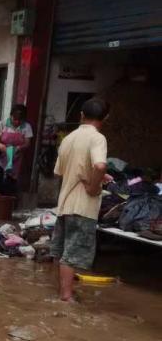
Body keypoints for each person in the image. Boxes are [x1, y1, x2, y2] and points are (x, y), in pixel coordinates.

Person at [52, 98, 111, 302]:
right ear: (105, 118)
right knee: (72, 253)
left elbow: (60, 171)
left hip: (65, 204)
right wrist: (94, 186)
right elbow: (100, 165)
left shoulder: (68, 139)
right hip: (83, 206)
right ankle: (66, 296)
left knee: (62, 251)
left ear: (81, 116)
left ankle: (62, 290)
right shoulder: (97, 139)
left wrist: (96, 177)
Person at [0, 103, 34, 195]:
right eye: (15, 119)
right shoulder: (3, 124)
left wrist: (19, 148)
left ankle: (6, 204)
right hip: (0, 157)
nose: (17, 122)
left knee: (10, 183)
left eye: (20, 120)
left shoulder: (26, 127)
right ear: (11, 116)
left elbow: (27, 143)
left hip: (15, 159)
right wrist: (1, 146)